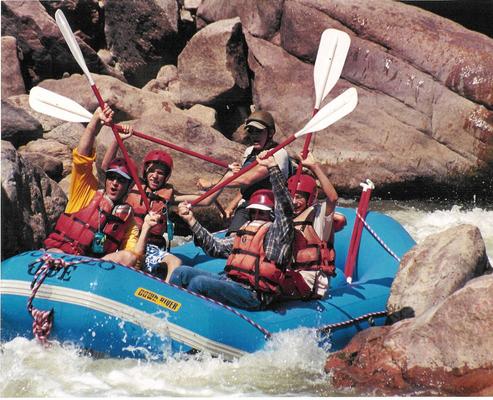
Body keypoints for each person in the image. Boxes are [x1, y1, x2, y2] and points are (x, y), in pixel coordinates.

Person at [101, 134, 237, 281]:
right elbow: (107, 168)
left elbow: (206, 200)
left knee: (175, 262)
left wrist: (227, 177)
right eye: (152, 171)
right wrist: (117, 140)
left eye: (160, 173)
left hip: (151, 247)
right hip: (126, 242)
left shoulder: (169, 196)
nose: (155, 176)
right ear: (145, 172)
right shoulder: (131, 186)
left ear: (166, 177)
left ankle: (164, 290)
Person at [169, 152, 295, 310]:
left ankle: (186, 315)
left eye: (262, 213)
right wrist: (191, 221)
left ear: (271, 215)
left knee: (199, 283)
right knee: (181, 272)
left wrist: (273, 168)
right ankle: (168, 311)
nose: (257, 216)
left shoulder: (278, 234)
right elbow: (215, 247)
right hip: (232, 283)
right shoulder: (246, 231)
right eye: (254, 212)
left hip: (255, 294)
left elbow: (285, 208)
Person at [43, 104, 143, 267]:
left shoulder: (127, 219)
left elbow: (133, 255)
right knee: (57, 253)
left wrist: (148, 226)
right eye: (112, 177)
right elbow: (82, 157)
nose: (115, 183)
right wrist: (94, 121)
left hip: (91, 267)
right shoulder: (86, 191)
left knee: (128, 257)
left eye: (121, 180)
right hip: (61, 255)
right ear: (106, 179)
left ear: (129, 186)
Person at [197, 110, 293, 236]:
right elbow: (245, 186)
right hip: (249, 205)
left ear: (270, 133)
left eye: (259, 131)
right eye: (251, 131)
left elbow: (247, 179)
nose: (254, 135)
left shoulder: (278, 153)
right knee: (233, 239)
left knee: (256, 240)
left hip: (271, 207)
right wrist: (231, 207)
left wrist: (211, 183)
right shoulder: (249, 152)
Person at [285, 151, 341, 300]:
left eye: (299, 197)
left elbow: (333, 198)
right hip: (291, 276)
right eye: (291, 196)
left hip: (311, 281)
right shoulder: (286, 217)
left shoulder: (319, 217)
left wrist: (314, 167)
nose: (294, 202)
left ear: (310, 198)